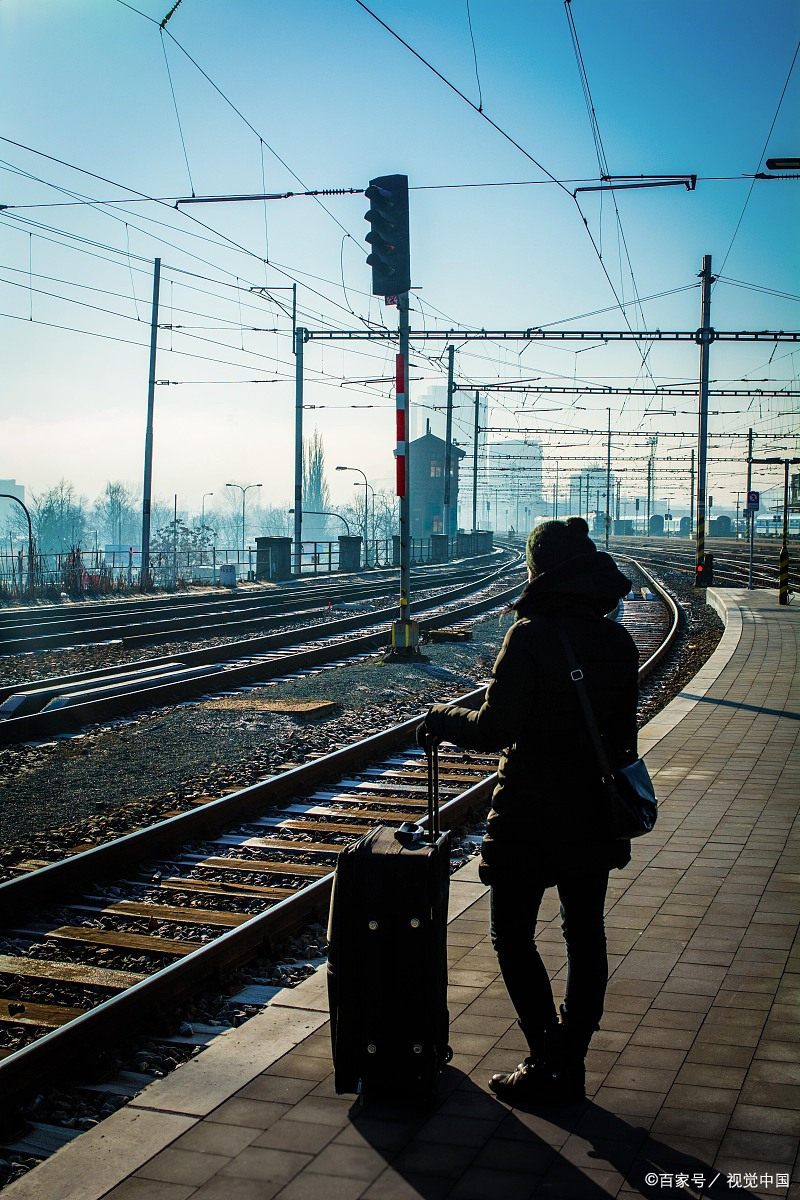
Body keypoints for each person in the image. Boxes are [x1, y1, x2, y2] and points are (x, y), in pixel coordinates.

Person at [417, 518, 638, 1104]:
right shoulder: (617, 642)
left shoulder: (530, 636)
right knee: (585, 932)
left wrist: (442, 719)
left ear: (540, 570)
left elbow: (495, 730)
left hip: (529, 817)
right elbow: (622, 746)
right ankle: (572, 1057)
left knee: (511, 933)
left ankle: (546, 1056)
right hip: (593, 814)